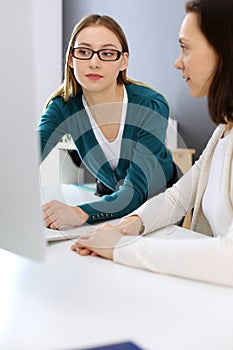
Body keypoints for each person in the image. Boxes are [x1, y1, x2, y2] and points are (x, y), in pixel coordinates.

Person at [72, 0, 233, 288]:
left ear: (224, 49)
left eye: (185, 47)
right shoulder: (223, 131)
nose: (177, 61)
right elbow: (177, 198)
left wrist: (122, 248)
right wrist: (127, 225)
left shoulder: (149, 105)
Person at [39, 14, 178, 230]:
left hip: (161, 204)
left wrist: (80, 212)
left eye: (107, 53)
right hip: (110, 203)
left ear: (124, 61)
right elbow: (24, 161)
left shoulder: (150, 105)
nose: (94, 63)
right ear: (70, 59)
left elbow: (136, 192)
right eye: (84, 52)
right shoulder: (63, 107)